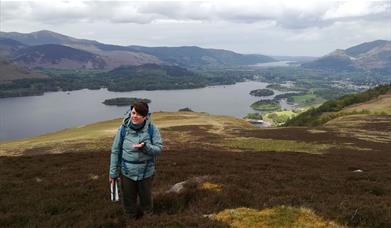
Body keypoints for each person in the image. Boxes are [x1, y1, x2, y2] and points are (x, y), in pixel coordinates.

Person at [109, 101, 163, 219]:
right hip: (127, 172)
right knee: (128, 201)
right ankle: (131, 220)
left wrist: (145, 147)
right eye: (133, 112)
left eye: (138, 114)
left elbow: (159, 149)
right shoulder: (123, 129)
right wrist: (113, 173)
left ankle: (148, 220)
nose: (134, 116)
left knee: (146, 200)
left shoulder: (152, 129)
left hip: (146, 172)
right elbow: (115, 151)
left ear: (145, 116)